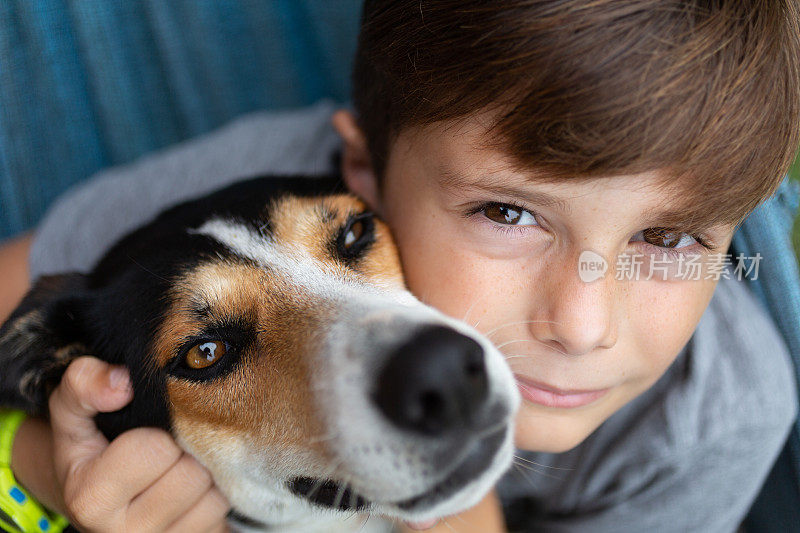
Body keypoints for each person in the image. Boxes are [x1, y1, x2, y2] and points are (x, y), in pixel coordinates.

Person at [1, 1, 799, 531]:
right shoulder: (263, 179)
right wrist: (36, 465)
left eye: (669, 238)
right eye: (507, 212)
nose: (583, 326)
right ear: (362, 170)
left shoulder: (720, 418)